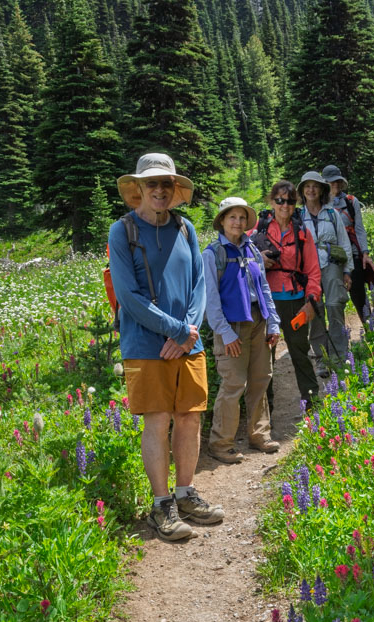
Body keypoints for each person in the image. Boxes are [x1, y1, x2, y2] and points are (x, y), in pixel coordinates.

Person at [109, 153, 224, 542]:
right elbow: (129, 295)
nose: (159, 190)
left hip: (188, 343)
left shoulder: (186, 229)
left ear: (174, 190)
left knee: (190, 417)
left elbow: (199, 286)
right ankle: (161, 506)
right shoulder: (121, 231)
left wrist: (189, 332)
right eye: (151, 184)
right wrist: (177, 330)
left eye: (166, 184)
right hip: (145, 345)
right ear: (138, 189)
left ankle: (185, 493)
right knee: (157, 420)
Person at [202, 197, 281, 464]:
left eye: (242, 217)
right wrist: (225, 333)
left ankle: (259, 435)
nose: (237, 222)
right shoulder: (212, 254)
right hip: (231, 326)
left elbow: (264, 288)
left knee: (260, 379)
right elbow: (210, 300)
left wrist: (273, 321)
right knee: (234, 384)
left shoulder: (252, 251)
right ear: (222, 221)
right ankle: (221, 443)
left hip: (259, 320)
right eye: (232, 217)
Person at [255, 180, 322, 407]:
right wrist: (258, 260)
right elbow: (239, 255)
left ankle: (313, 405)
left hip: (295, 300)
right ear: (271, 201)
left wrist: (312, 300)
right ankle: (265, 415)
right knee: (266, 360)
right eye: (280, 200)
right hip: (266, 302)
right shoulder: (259, 228)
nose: (285, 206)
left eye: (290, 201)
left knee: (300, 353)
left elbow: (313, 270)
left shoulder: (302, 232)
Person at [296, 171, 353, 377]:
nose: (311, 190)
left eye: (315, 186)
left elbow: (344, 243)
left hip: (332, 265)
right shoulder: (298, 216)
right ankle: (321, 360)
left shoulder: (332, 214)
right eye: (307, 186)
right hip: (308, 269)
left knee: (335, 306)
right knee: (315, 311)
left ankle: (339, 355)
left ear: (321, 190)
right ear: (302, 191)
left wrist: (347, 271)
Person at [322, 164, 374, 327]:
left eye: (338, 182)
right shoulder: (320, 205)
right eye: (332, 182)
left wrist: (365, 254)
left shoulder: (351, 202)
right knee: (333, 301)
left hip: (352, 255)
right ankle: (338, 336)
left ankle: (372, 330)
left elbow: (359, 229)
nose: (336, 185)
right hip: (328, 259)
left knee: (359, 296)